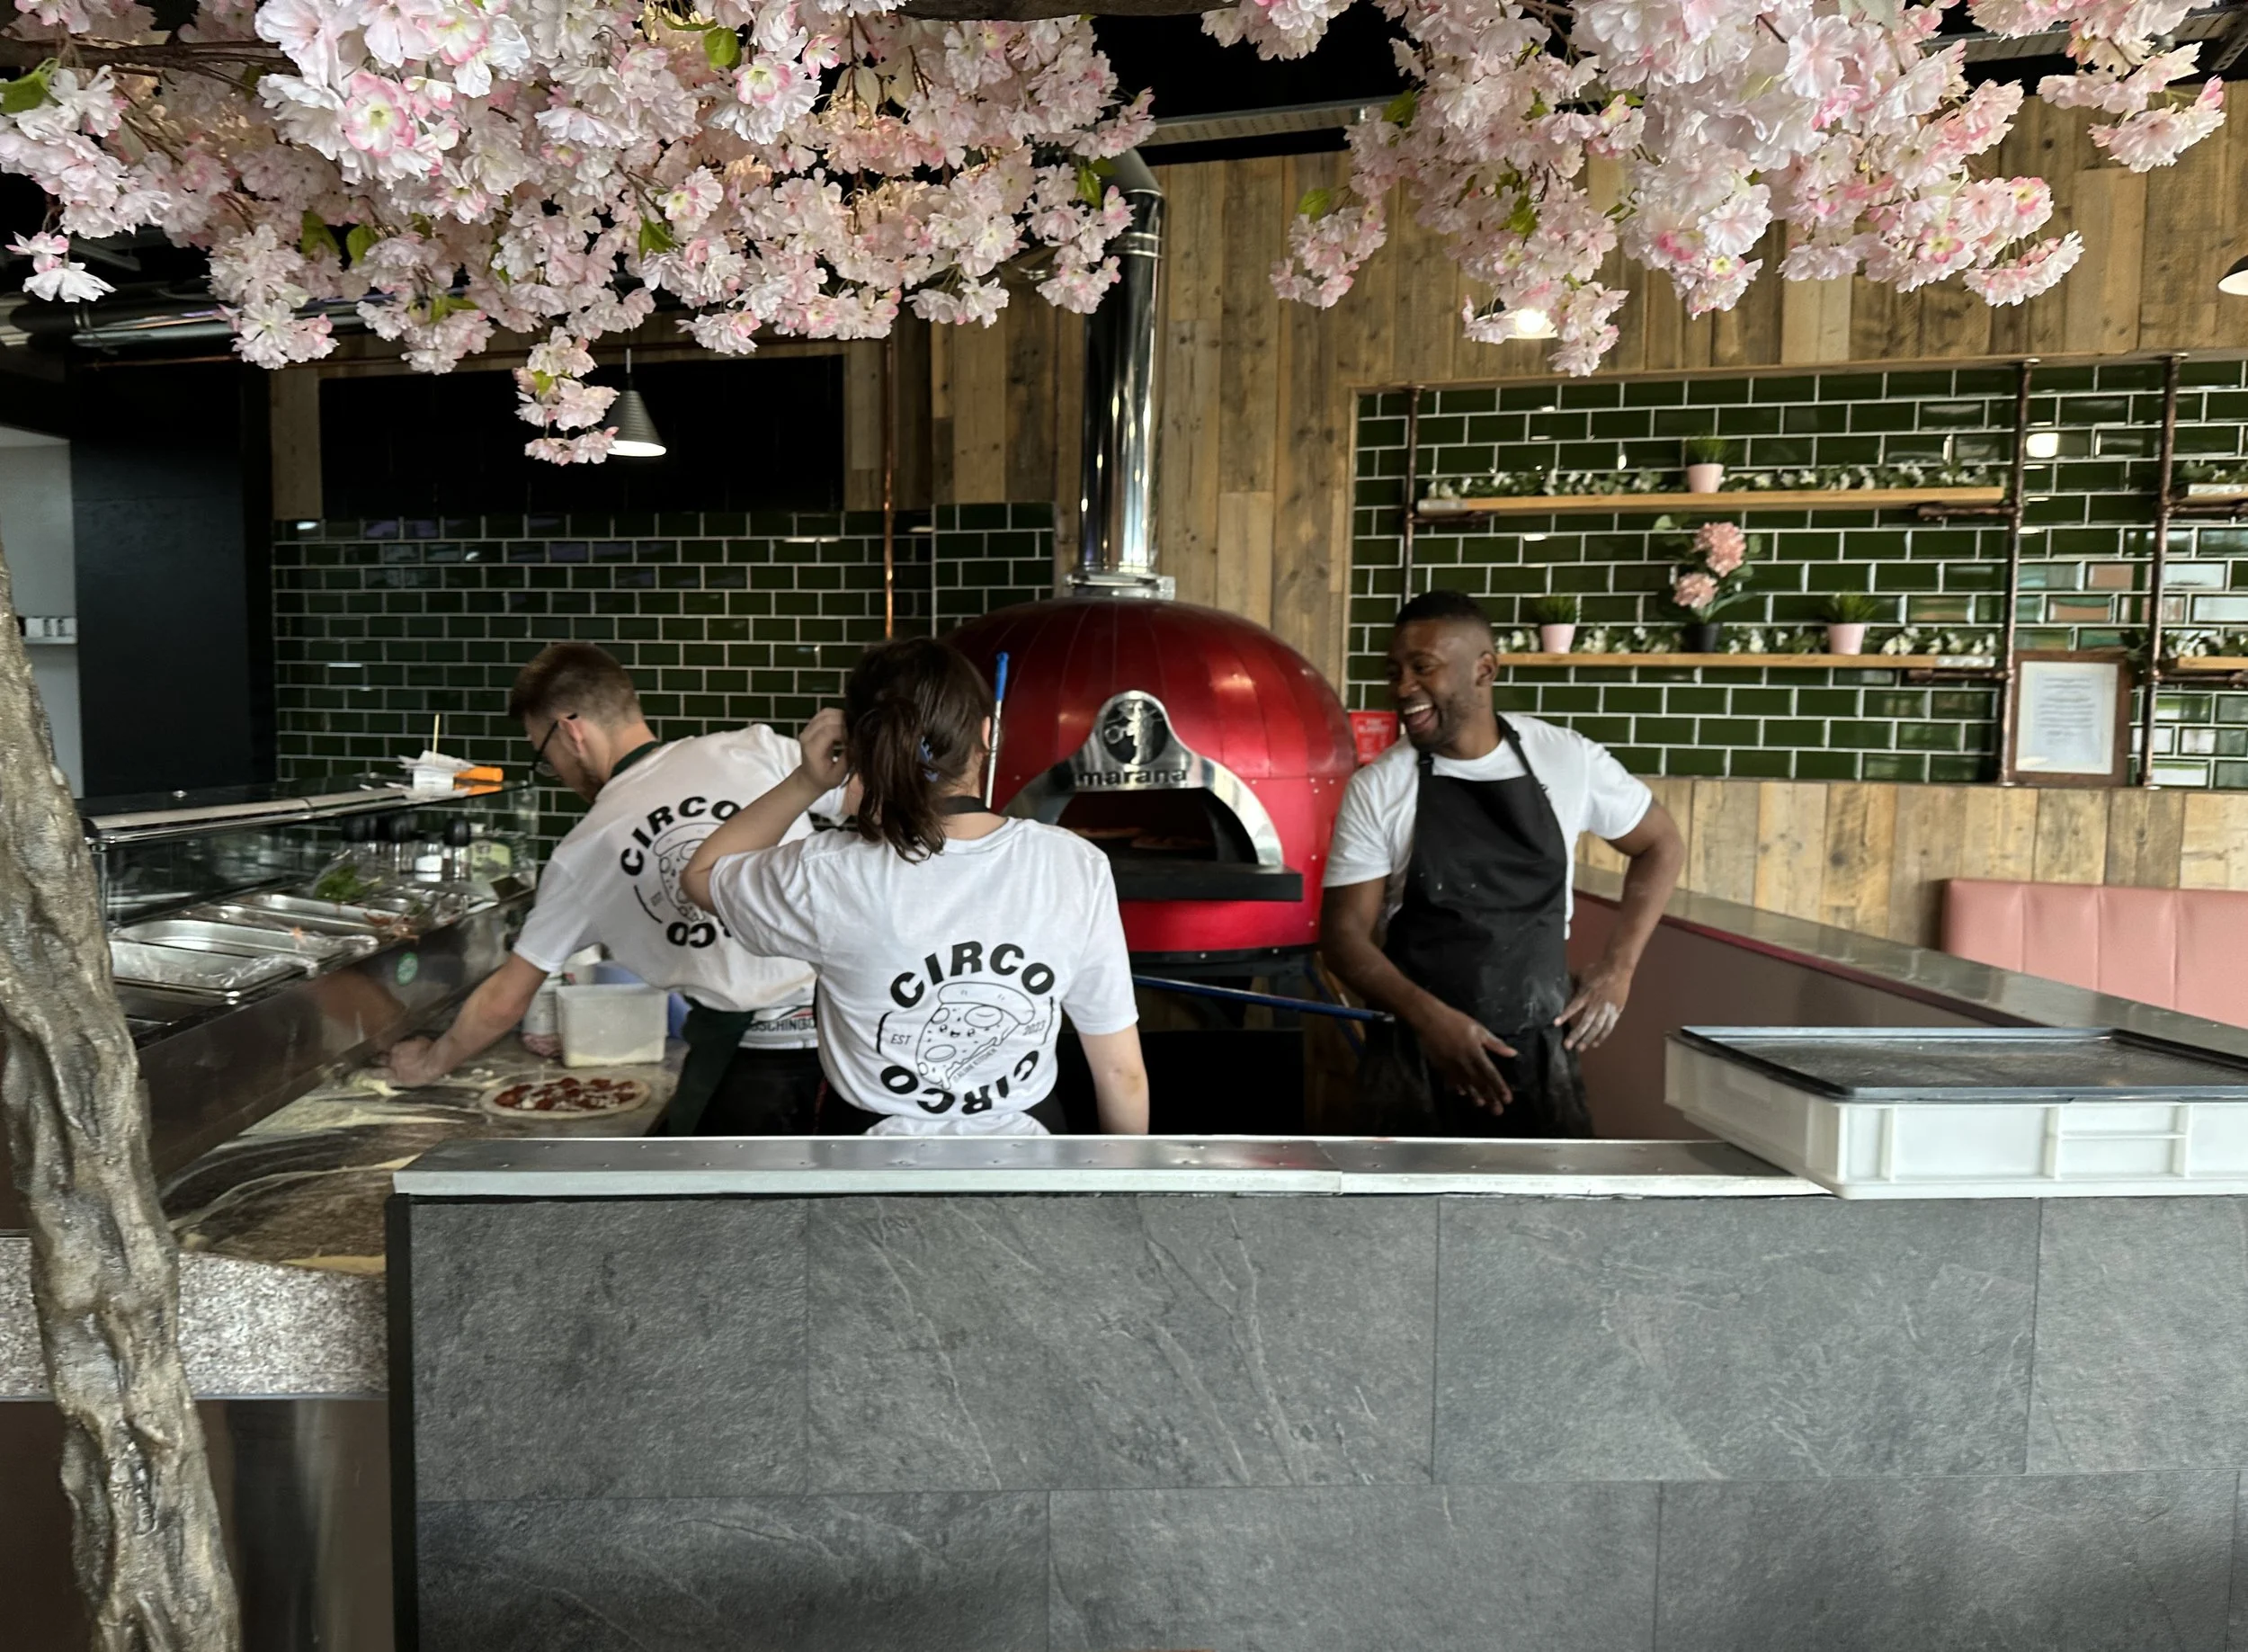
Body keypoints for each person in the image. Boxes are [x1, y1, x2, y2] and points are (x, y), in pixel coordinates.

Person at [681, 637, 1149, 1137]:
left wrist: (807, 781)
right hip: (1028, 1155)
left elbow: (701, 874)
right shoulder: (1074, 864)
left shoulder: (826, 873)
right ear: (987, 734)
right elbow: (1121, 1074)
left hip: (867, 1157)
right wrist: (1119, 1183)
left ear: (858, 750)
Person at [384, 641, 843, 1135]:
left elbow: (506, 998)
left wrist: (428, 1062)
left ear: (571, 732)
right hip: (852, 1043)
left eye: (545, 756)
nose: (557, 774)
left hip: (749, 1071)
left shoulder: (587, 847)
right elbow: (870, 803)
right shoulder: (756, 749)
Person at [1320, 589, 1685, 1138]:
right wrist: (1430, 1019)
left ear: (1484, 669)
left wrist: (1620, 967)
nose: (1402, 687)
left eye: (1423, 668)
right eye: (1394, 671)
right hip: (1415, 1057)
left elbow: (1661, 844)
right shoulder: (1380, 787)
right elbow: (1343, 937)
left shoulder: (1565, 758)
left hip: (1539, 1056)